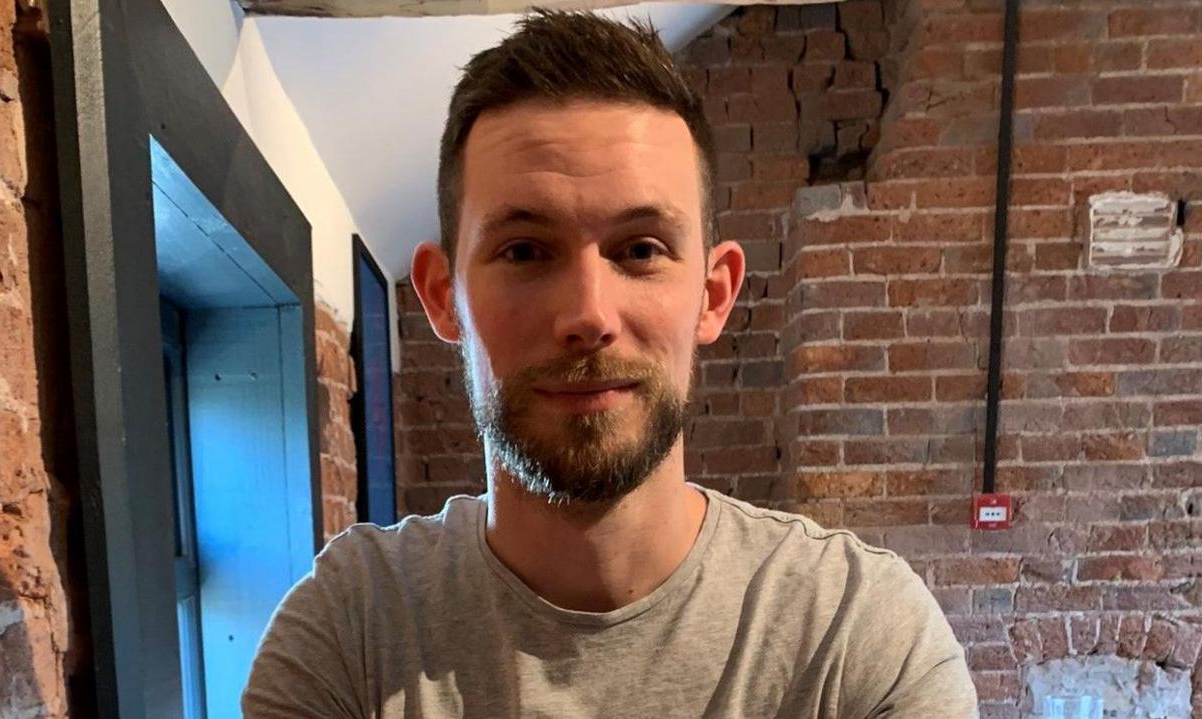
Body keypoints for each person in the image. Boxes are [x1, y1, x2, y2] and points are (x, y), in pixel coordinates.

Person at [243, 10, 977, 718]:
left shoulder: (855, 637)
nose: (589, 313)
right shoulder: (352, 630)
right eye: (525, 251)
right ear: (443, 295)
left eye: (641, 249)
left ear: (713, 294)